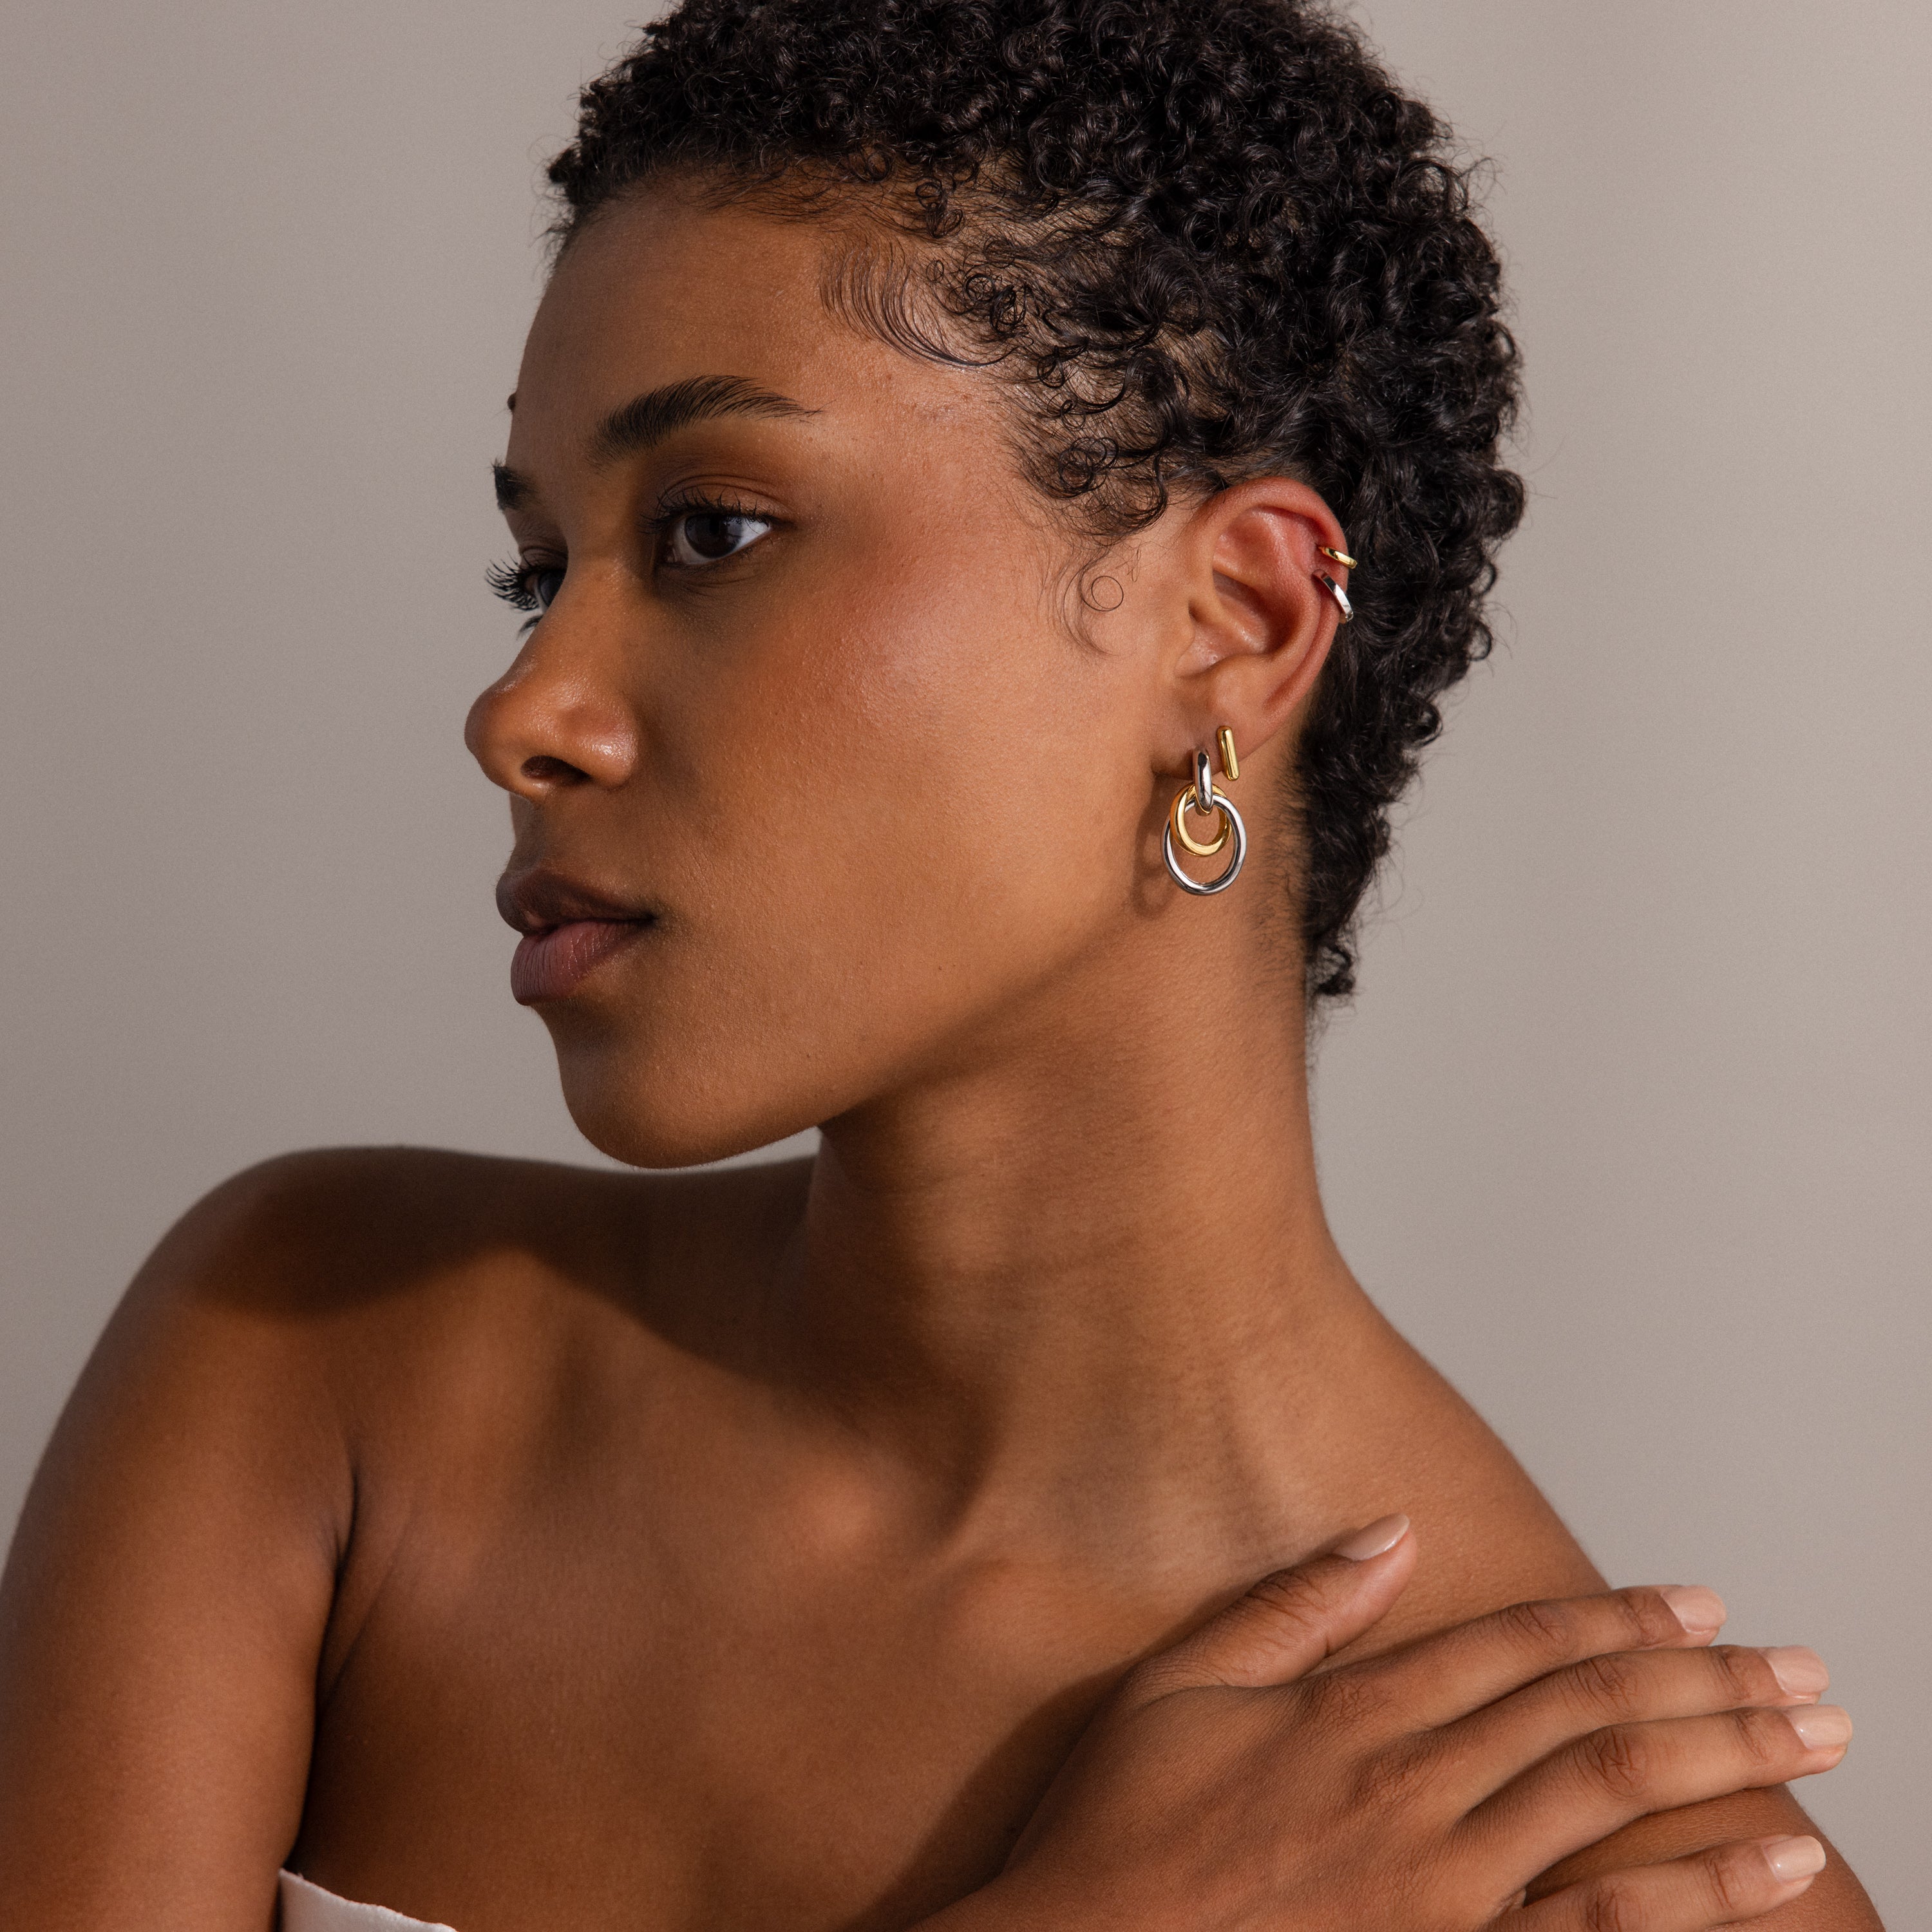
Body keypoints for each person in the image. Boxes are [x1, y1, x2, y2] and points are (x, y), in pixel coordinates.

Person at [0, 1, 1883, 1926]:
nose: (524, 710)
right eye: (537, 569)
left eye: (711, 531)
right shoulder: (312, 1362)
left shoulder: (1617, 1878)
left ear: (1234, 624)